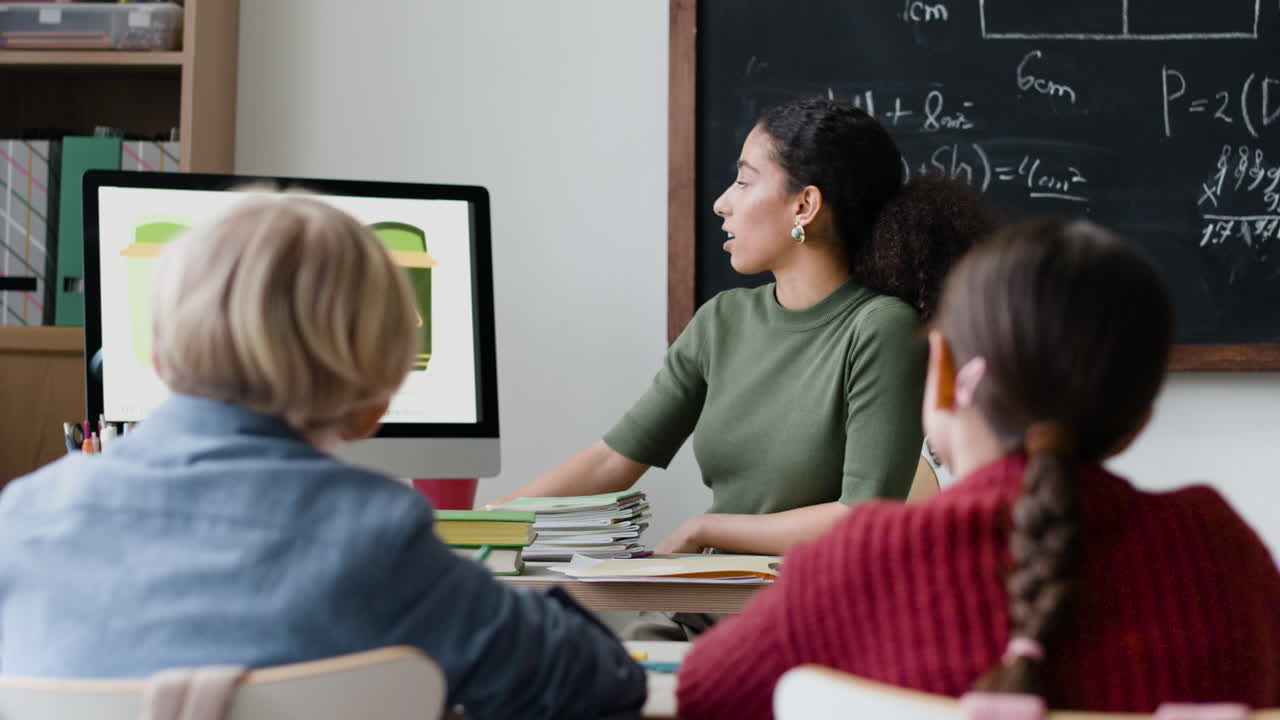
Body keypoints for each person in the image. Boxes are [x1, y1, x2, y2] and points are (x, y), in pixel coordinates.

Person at [0, 195, 645, 720]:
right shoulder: (375, 538)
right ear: (375, 403)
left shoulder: (23, 516)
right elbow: (598, 683)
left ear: (160, 358)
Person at [676, 219, 1280, 718]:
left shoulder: (863, 560)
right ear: (1139, 420)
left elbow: (702, 693)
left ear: (941, 374)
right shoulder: (1221, 552)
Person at [502, 97, 1000, 557]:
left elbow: (863, 516)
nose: (723, 202)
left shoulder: (880, 329)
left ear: (804, 205)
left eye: (743, 181)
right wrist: (480, 523)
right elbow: (613, 461)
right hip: (702, 601)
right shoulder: (722, 320)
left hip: (813, 611)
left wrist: (708, 528)